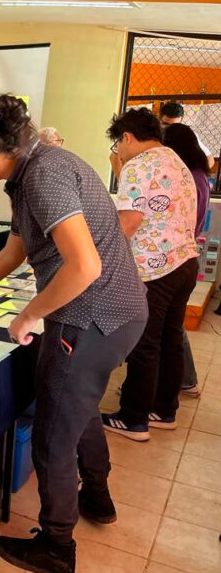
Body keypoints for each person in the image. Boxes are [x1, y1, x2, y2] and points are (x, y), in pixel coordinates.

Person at [0, 95, 147, 573]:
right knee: (76, 406)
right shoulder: (31, 170)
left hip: (91, 317)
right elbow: (14, 251)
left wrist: (28, 315)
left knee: (53, 433)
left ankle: (57, 547)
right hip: (116, 313)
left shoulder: (43, 175)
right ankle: (97, 495)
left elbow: (85, 266)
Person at [103, 108, 199, 442]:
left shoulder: (139, 166)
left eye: (118, 144)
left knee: (145, 343)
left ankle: (133, 419)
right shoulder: (175, 160)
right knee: (171, 339)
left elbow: (127, 223)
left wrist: (101, 258)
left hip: (154, 267)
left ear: (127, 137)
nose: (119, 151)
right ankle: (164, 410)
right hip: (184, 262)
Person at [163, 122, 212, 398]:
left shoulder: (186, 178)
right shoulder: (199, 175)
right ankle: (185, 380)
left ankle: (184, 380)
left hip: (175, 258)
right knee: (172, 325)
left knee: (170, 327)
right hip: (186, 255)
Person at [159, 101, 215, 171]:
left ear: (181, 120)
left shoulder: (187, 134)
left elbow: (210, 159)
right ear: (159, 118)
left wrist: (193, 175)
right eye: (165, 124)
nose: (169, 129)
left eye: (175, 126)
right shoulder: (153, 134)